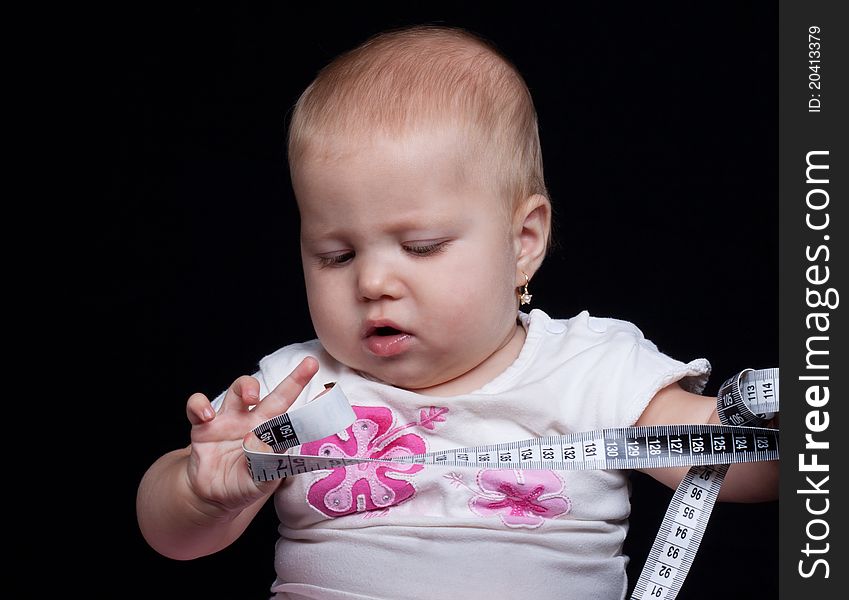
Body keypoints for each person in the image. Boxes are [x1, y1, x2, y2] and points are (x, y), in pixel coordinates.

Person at [136, 24, 777, 600]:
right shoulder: (295, 389)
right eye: (335, 256)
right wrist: (199, 490)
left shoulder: (593, 367)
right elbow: (174, 537)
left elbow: (734, 458)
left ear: (523, 243)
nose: (374, 281)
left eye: (422, 247)